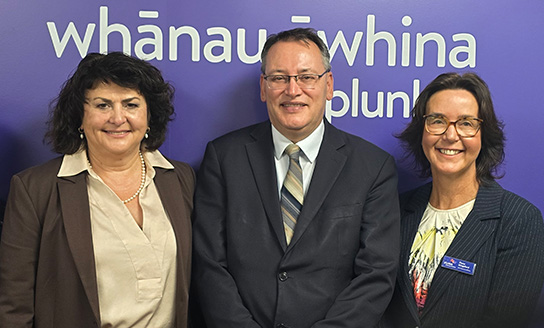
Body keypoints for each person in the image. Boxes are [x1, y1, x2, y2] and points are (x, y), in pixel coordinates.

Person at [191, 28, 400, 328]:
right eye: (279, 77)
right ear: (263, 87)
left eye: (306, 77)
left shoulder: (373, 167)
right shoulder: (223, 158)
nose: (293, 90)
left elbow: (375, 276)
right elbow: (209, 265)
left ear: (328, 85)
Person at [0, 52, 195, 328]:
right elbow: (13, 306)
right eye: (103, 105)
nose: (117, 118)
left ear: (149, 117)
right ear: (80, 117)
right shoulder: (35, 190)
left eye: (131, 104)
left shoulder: (180, 179)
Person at [379, 72, 544, 328]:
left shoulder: (519, 220)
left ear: (483, 135)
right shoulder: (397, 209)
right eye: (437, 121)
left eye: (466, 123)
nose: (450, 135)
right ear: (421, 131)